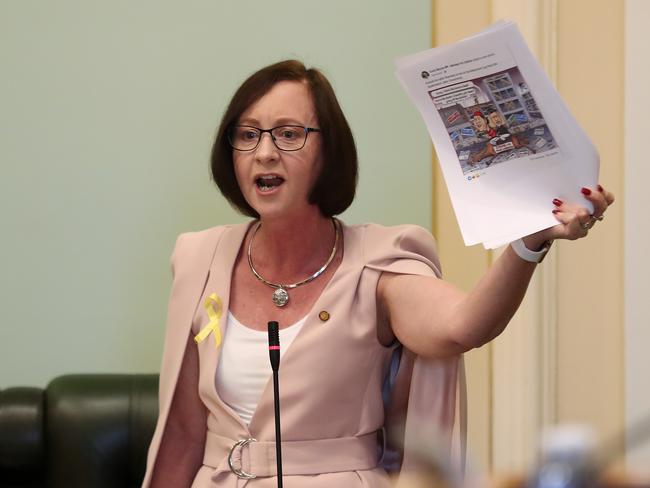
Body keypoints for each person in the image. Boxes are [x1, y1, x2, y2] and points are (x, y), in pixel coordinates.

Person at [142, 60, 614, 487]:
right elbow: (184, 433)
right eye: (247, 134)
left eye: (288, 134)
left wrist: (529, 240)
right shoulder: (200, 257)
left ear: (329, 152)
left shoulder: (376, 261)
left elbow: (463, 325)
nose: (264, 152)